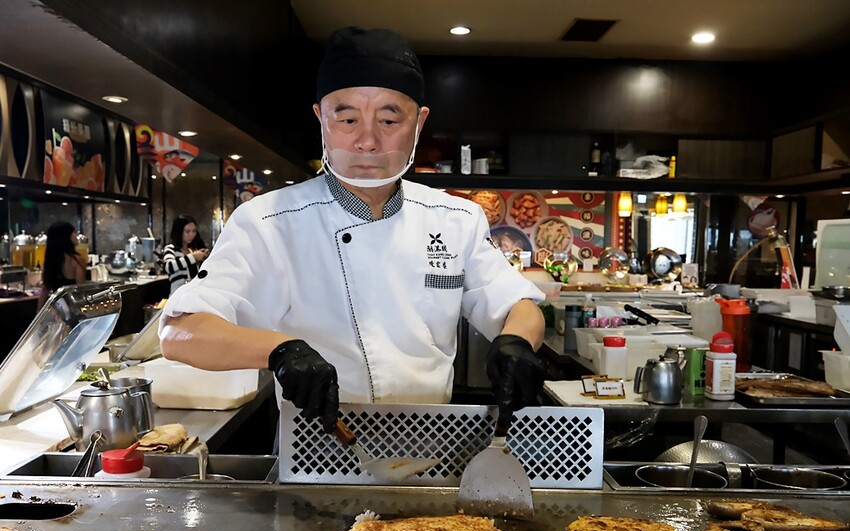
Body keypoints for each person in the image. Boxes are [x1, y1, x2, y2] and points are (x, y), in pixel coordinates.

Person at [159, 26, 546, 438]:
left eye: (389, 118)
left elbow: (517, 306)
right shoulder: (268, 221)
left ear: (419, 123)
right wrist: (279, 351)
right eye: (347, 119)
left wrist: (517, 343)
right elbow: (180, 331)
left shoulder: (457, 218)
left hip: (432, 442)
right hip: (317, 447)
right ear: (320, 119)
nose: (367, 141)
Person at [38, 221, 86, 309]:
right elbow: (81, 290)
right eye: (74, 232)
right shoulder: (77, 260)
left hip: (58, 309)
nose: (76, 236)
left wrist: (38, 315)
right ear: (66, 237)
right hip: (74, 308)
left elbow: (45, 289)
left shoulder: (49, 262)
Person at [161, 215, 209, 295]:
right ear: (179, 232)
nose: (191, 235)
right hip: (177, 297)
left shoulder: (192, 250)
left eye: (194, 231)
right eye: (187, 231)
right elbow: (168, 267)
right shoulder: (171, 249)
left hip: (193, 296)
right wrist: (193, 257)